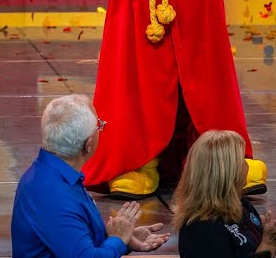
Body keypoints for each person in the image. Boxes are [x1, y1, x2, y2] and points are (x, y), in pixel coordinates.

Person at [12, 94, 170, 257]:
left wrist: (123, 238)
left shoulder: (52, 174)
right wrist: (117, 240)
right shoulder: (53, 195)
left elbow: (71, 242)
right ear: (88, 145)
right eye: (99, 126)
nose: (101, 128)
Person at [173, 130, 276, 257]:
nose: (247, 165)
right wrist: (269, 243)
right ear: (227, 173)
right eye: (242, 160)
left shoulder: (242, 206)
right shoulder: (202, 230)